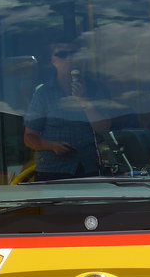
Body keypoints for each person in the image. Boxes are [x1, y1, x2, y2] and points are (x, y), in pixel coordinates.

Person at [23, 43, 111, 181]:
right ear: (53, 61)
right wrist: (51, 145)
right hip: (53, 171)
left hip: (90, 168)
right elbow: (29, 137)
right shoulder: (43, 94)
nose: (69, 58)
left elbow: (104, 128)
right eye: (62, 55)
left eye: (74, 54)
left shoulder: (95, 89)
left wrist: (84, 100)